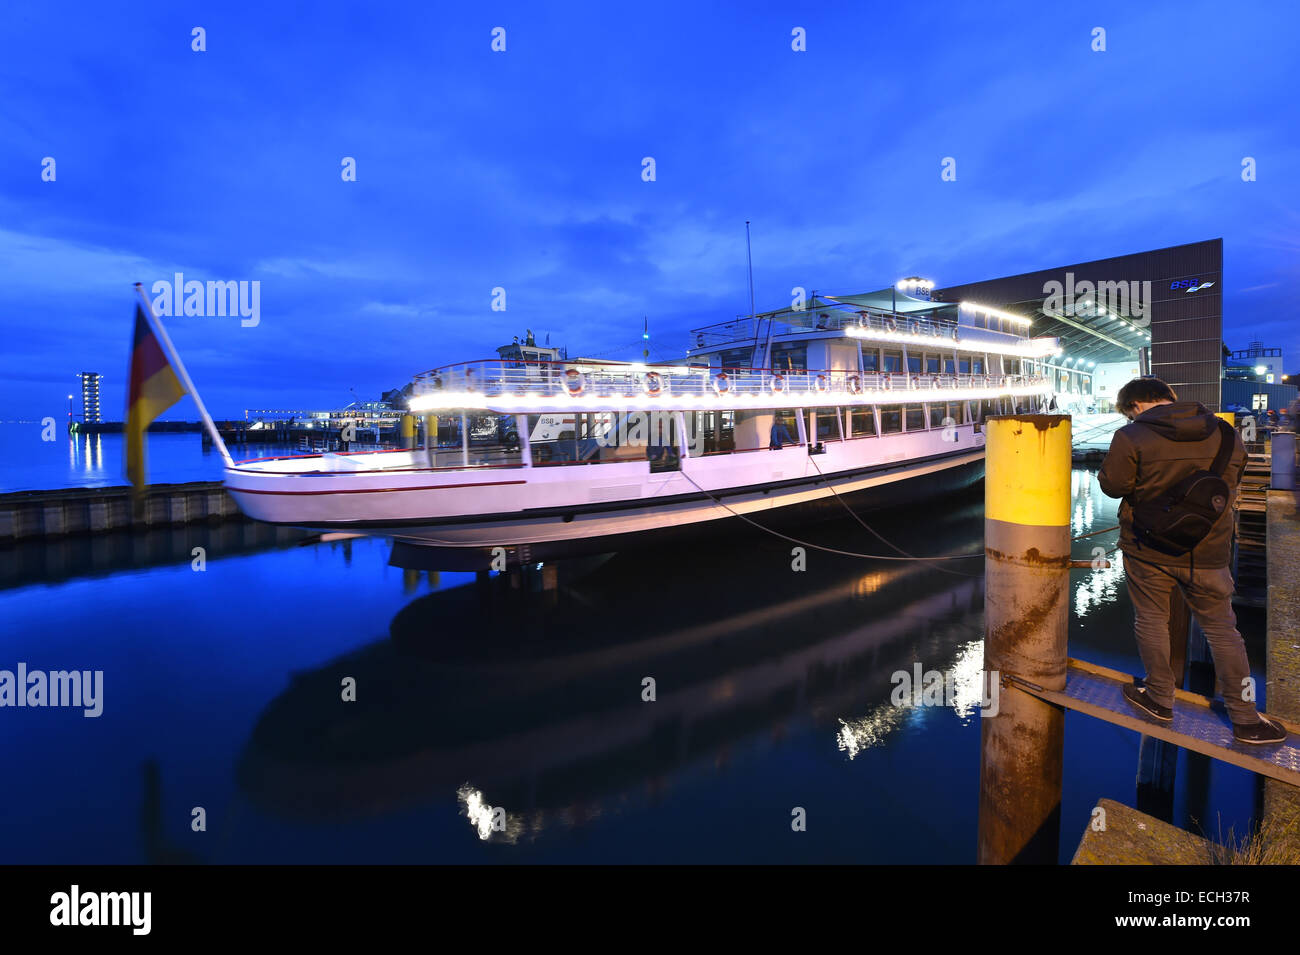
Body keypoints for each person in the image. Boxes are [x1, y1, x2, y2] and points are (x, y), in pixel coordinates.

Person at [1098, 376, 1287, 744]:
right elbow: (1232, 479)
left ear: (1134, 407)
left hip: (1147, 548)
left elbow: (1113, 486)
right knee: (1224, 632)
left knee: (1152, 620)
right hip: (1209, 551)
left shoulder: (1131, 436)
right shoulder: (1225, 432)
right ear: (1171, 397)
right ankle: (1247, 718)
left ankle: (1158, 697)